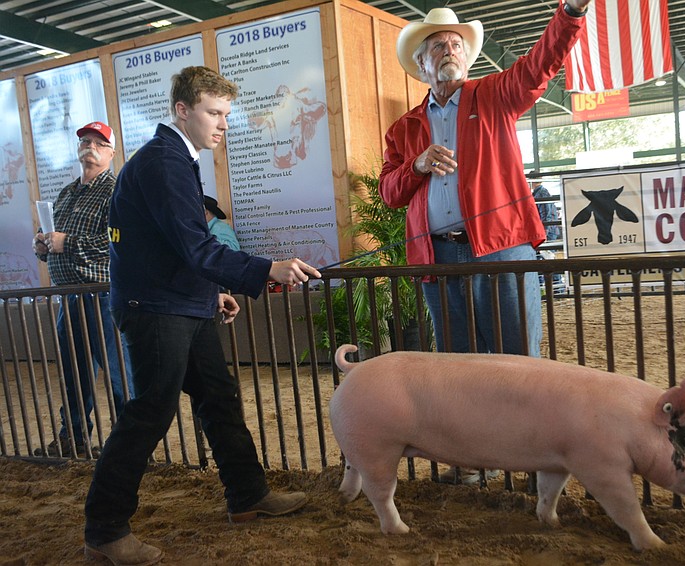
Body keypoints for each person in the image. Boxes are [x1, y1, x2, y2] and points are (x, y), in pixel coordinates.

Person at [83, 66, 322, 565]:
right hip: (155, 310)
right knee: (148, 411)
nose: (223, 124)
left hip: (181, 304)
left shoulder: (176, 159)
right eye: (214, 113)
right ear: (182, 110)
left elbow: (172, 247)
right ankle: (104, 530)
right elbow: (194, 245)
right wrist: (268, 268)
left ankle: (247, 495)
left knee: (218, 397)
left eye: (226, 114)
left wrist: (210, 292)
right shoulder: (164, 162)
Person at [379, 1, 591, 485]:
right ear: (421, 64)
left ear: (467, 57)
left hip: (502, 247)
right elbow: (390, 193)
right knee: (459, 368)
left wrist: (571, 13)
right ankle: (474, 461)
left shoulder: (495, 94)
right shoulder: (404, 129)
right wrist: (416, 165)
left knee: (519, 362)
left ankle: (538, 464)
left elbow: (541, 65)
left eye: (455, 43)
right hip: (438, 255)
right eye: (438, 45)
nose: (448, 49)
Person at [32, 121, 134, 458]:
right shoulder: (66, 193)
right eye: (85, 141)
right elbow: (56, 242)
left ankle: (129, 443)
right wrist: (44, 246)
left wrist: (67, 242)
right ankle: (73, 437)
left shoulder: (117, 191)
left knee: (117, 371)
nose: (89, 146)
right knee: (74, 373)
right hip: (70, 294)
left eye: (98, 142)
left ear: (111, 152)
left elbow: (118, 241)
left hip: (103, 293)